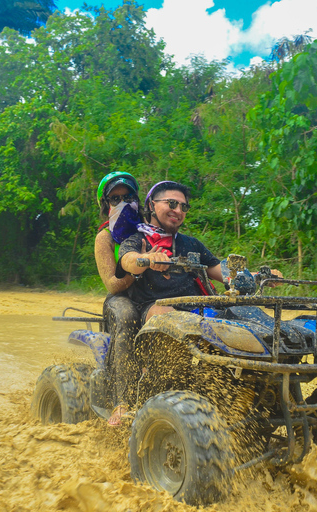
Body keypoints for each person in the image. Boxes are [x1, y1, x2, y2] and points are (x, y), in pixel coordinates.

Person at [116, 181, 225, 323]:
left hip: (200, 310)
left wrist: (250, 276)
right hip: (155, 310)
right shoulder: (137, 241)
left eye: (183, 207)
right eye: (172, 203)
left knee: (243, 313)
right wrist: (146, 259)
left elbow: (222, 271)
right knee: (167, 315)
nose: (178, 211)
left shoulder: (192, 244)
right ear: (151, 205)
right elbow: (127, 260)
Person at [94, 171, 144, 427]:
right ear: (106, 204)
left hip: (153, 295)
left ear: (138, 199)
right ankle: (122, 401)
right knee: (128, 317)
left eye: (128, 196)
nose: (123, 203)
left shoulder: (151, 229)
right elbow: (113, 284)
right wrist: (140, 268)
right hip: (122, 299)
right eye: (115, 198)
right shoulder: (105, 237)